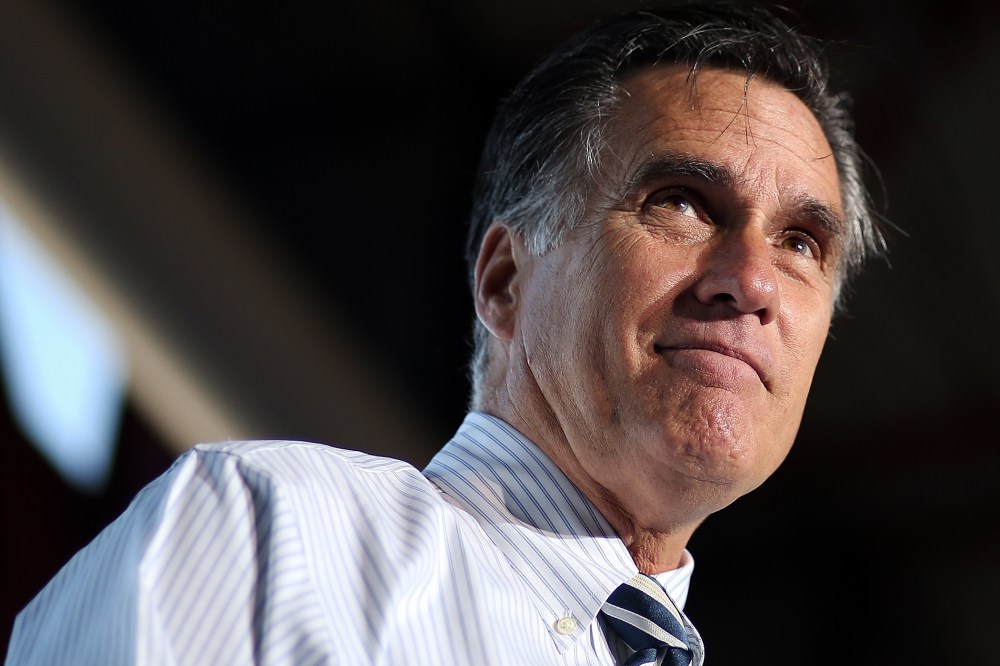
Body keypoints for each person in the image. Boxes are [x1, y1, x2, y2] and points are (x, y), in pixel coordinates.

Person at [8, 2, 883, 664]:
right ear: (505, 281)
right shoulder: (280, 536)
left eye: (801, 243)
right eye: (683, 203)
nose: (755, 280)